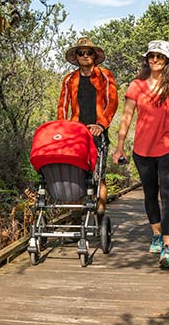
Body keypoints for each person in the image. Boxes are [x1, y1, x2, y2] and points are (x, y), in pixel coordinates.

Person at [111, 40, 169, 269]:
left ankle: (168, 247)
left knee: (168, 195)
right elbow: (126, 117)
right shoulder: (136, 86)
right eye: (152, 56)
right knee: (150, 193)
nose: (155, 60)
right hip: (142, 150)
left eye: (160, 56)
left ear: (167, 60)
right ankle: (156, 234)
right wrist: (119, 147)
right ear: (147, 59)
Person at [57, 37, 118, 217]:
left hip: (98, 131)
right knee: (75, 176)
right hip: (76, 134)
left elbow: (112, 102)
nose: (85, 56)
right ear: (76, 57)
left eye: (88, 52)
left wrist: (102, 124)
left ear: (94, 55)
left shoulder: (105, 75)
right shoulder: (69, 79)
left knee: (99, 175)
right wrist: (62, 126)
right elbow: (62, 105)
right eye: (81, 53)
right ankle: (76, 220)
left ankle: (100, 210)